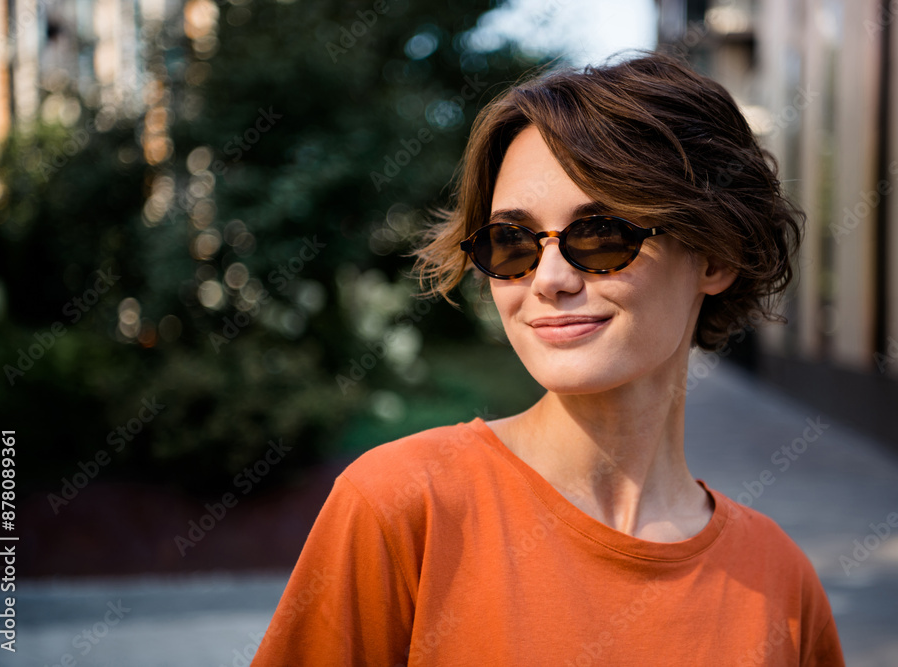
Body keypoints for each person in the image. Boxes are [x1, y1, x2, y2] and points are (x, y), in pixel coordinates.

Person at [251, 51, 845, 666]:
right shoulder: (402, 509)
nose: (549, 279)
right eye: (512, 242)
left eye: (602, 234)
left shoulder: (780, 580)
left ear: (715, 257)